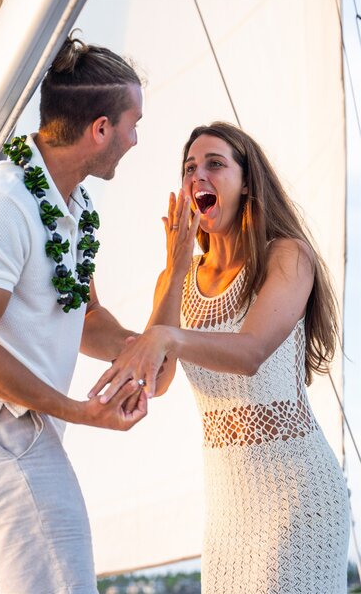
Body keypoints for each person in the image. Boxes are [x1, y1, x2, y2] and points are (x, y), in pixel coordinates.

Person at [91, 122, 350, 593]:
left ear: (247, 180)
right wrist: (176, 269)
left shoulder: (287, 256)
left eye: (215, 164)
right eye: (190, 168)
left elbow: (250, 352)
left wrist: (169, 337)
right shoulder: (178, 280)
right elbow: (158, 379)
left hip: (298, 497)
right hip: (228, 510)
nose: (198, 176)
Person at [0, 35, 148, 594]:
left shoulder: (73, 207)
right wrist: (77, 410)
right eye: (132, 124)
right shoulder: (4, 203)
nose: (136, 139)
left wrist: (147, 345)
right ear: (100, 129)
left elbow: (84, 318)